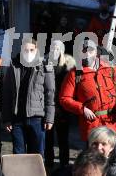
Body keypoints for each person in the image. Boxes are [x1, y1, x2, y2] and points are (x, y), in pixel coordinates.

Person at [59, 40, 116, 153]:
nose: (86, 53)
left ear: (96, 52)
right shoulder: (74, 74)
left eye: (90, 50)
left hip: (114, 122)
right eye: (83, 51)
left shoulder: (110, 69)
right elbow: (64, 99)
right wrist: (82, 109)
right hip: (93, 125)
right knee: (95, 159)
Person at [3, 38, 55, 156]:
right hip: (17, 118)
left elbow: (50, 92)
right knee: (18, 154)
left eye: (31, 50)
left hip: (37, 118)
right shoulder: (14, 65)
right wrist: (6, 119)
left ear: (37, 50)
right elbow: (7, 93)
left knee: (36, 154)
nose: (28, 52)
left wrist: (49, 118)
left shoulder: (45, 65)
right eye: (26, 50)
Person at [45, 40, 75, 168]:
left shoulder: (69, 67)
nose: (54, 50)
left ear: (62, 50)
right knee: (48, 139)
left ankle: (64, 166)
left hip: (63, 109)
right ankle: (49, 164)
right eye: (52, 48)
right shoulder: (44, 63)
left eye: (57, 48)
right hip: (47, 107)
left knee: (63, 140)